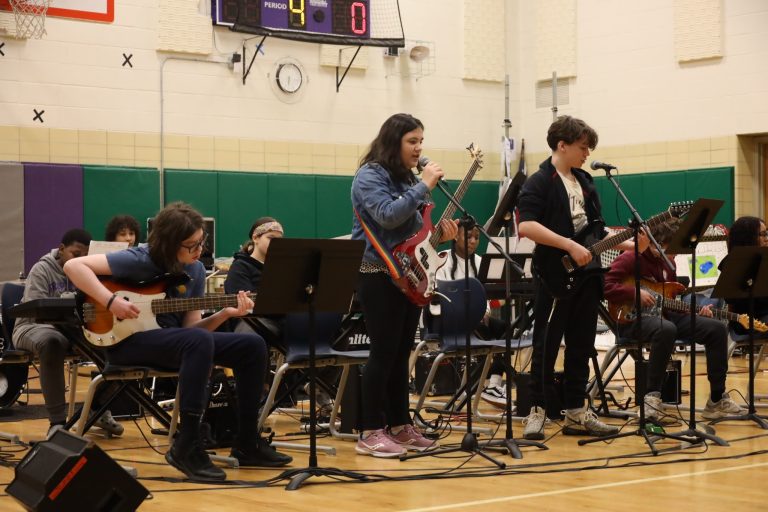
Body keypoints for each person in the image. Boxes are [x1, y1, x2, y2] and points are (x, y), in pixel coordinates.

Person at [64, 202, 292, 482]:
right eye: (191, 245)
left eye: (201, 243)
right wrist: (110, 301)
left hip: (171, 341)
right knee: (197, 341)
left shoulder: (194, 270)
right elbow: (73, 265)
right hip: (127, 341)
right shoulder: (140, 258)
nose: (199, 251)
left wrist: (225, 313)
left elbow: (192, 328)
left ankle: (247, 442)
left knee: (251, 346)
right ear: (170, 243)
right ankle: (188, 443)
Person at [518, 115, 639, 440]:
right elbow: (526, 225)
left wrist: (635, 244)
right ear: (562, 145)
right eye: (583, 147)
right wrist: (568, 245)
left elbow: (597, 231)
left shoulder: (585, 180)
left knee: (582, 345)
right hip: (555, 275)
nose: (587, 154)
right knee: (546, 345)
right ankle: (537, 410)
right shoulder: (539, 181)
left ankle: (575, 409)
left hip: (589, 275)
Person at [351, 113, 458, 457]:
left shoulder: (406, 178)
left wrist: (440, 235)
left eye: (421, 142)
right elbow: (387, 215)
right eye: (412, 141)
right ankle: (369, 430)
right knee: (382, 353)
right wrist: (423, 185)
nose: (419, 148)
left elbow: (413, 233)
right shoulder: (369, 176)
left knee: (400, 356)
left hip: (408, 275)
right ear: (393, 141)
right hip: (376, 273)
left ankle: (400, 425)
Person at [604, 218, 745, 421]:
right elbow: (605, 286)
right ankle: (652, 397)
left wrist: (695, 313)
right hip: (631, 320)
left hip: (663, 317)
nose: (677, 252)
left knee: (716, 329)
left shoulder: (668, 264)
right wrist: (634, 293)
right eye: (673, 246)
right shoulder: (630, 257)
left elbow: (669, 304)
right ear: (657, 243)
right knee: (666, 329)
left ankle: (716, 399)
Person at [13, 229, 123, 437]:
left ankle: (96, 409)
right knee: (52, 342)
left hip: (73, 329)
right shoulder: (41, 269)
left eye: (85, 256)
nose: (80, 260)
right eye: (75, 254)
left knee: (122, 346)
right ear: (62, 249)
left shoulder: (88, 271)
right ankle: (57, 423)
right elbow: (38, 312)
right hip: (30, 327)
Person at [431, 223, 509, 408]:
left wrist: (486, 311)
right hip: (450, 321)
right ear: (456, 237)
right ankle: (478, 385)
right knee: (487, 336)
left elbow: (486, 297)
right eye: (469, 236)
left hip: (477, 320)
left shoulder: (481, 262)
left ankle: (494, 383)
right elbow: (439, 296)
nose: (473, 241)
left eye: (477, 237)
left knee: (509, 330)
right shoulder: (442, 259)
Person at [722, 216, 768, 333]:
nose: (767, 238)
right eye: (763, 234)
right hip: (746, 321)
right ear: (749, 237)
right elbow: (731, 299)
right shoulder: (733, 263)